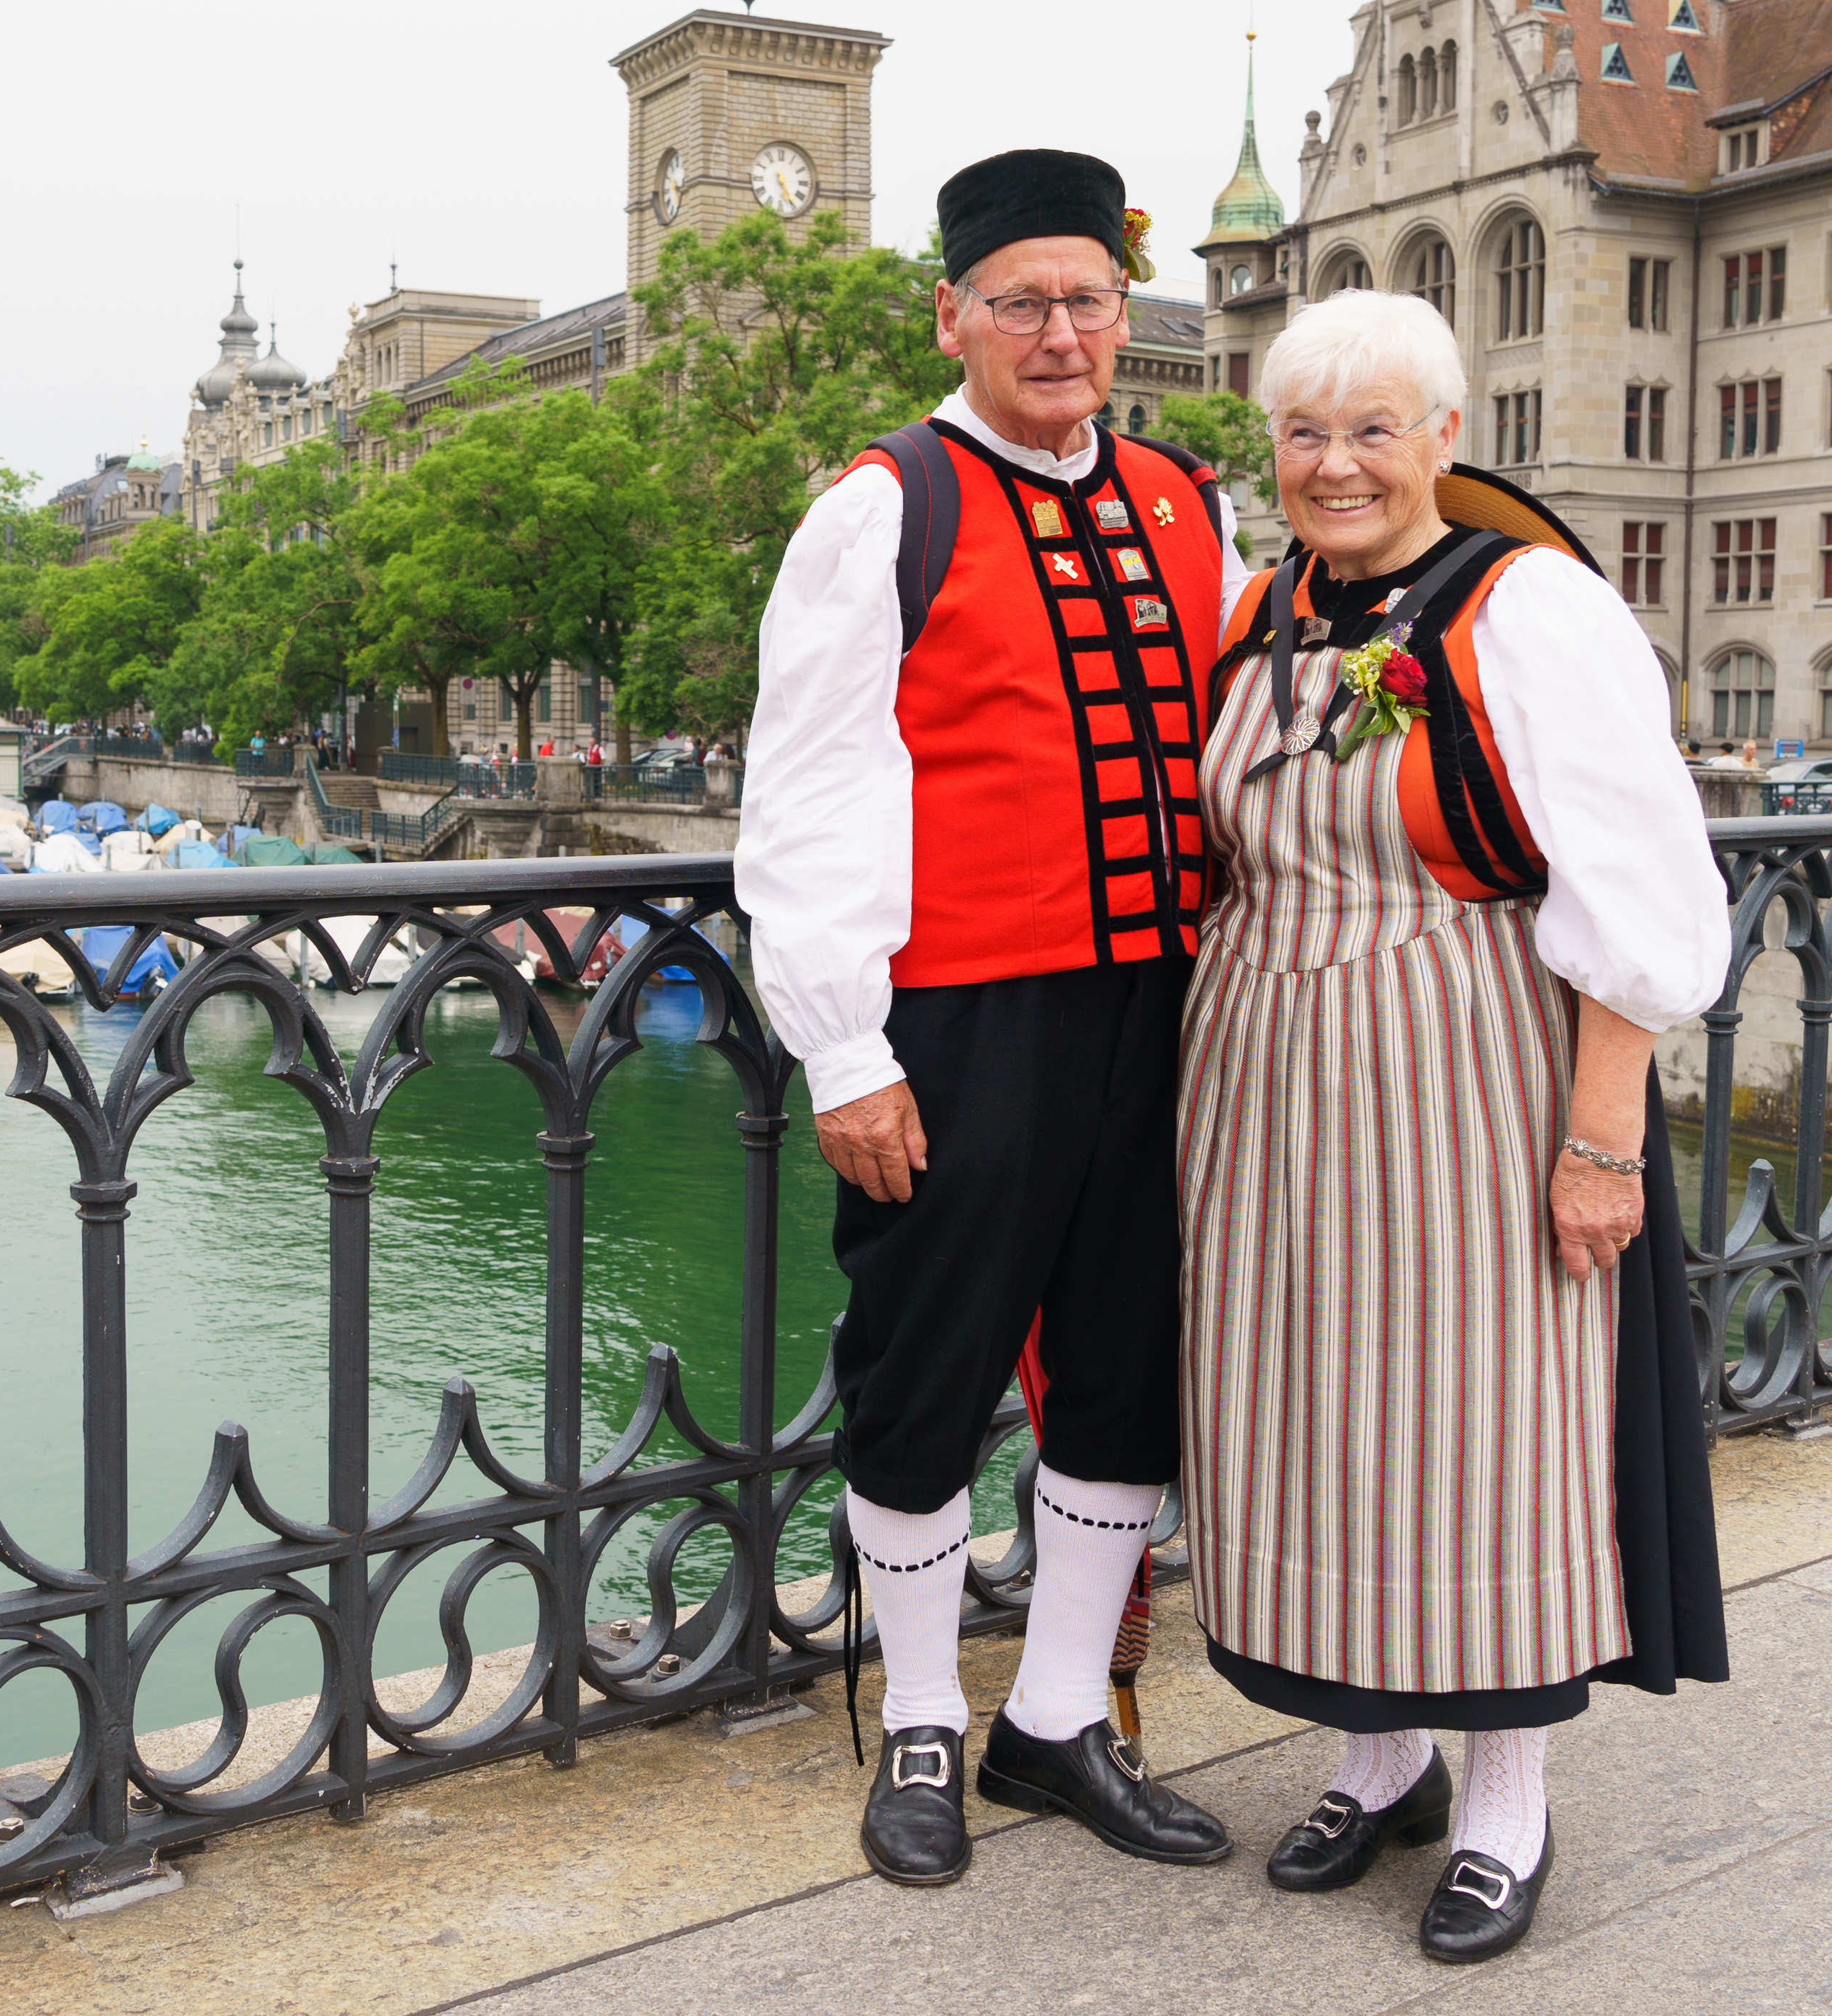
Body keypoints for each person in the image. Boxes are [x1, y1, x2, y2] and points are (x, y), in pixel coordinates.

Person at [1179, 289, 1731, 1965]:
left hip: (1465, 1061)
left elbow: (1640, 889)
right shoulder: (1263, 610)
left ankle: (1505, 1799)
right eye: (1303, 431)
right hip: (1268, 1082)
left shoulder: (1530, 606)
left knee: (1483, 1426)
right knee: (1314, 1423)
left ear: (1446, 437)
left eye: (1371, 429)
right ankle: (1379, 1756)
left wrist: (1600, 1139)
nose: (1335, 463)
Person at [739, 147, 1248, 1890]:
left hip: (1158, 1018)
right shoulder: (887, 505)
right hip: (954, 1023)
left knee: (1123, 1377)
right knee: (926, 1381)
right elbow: (798, 800)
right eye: (1020, 301)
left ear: (1126, 312)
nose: (1057, 330)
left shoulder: (1195, 501)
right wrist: (842, 1049)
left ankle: (1053, 1721)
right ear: (955, 314)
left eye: (1086, 298)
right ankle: (919, 1725)